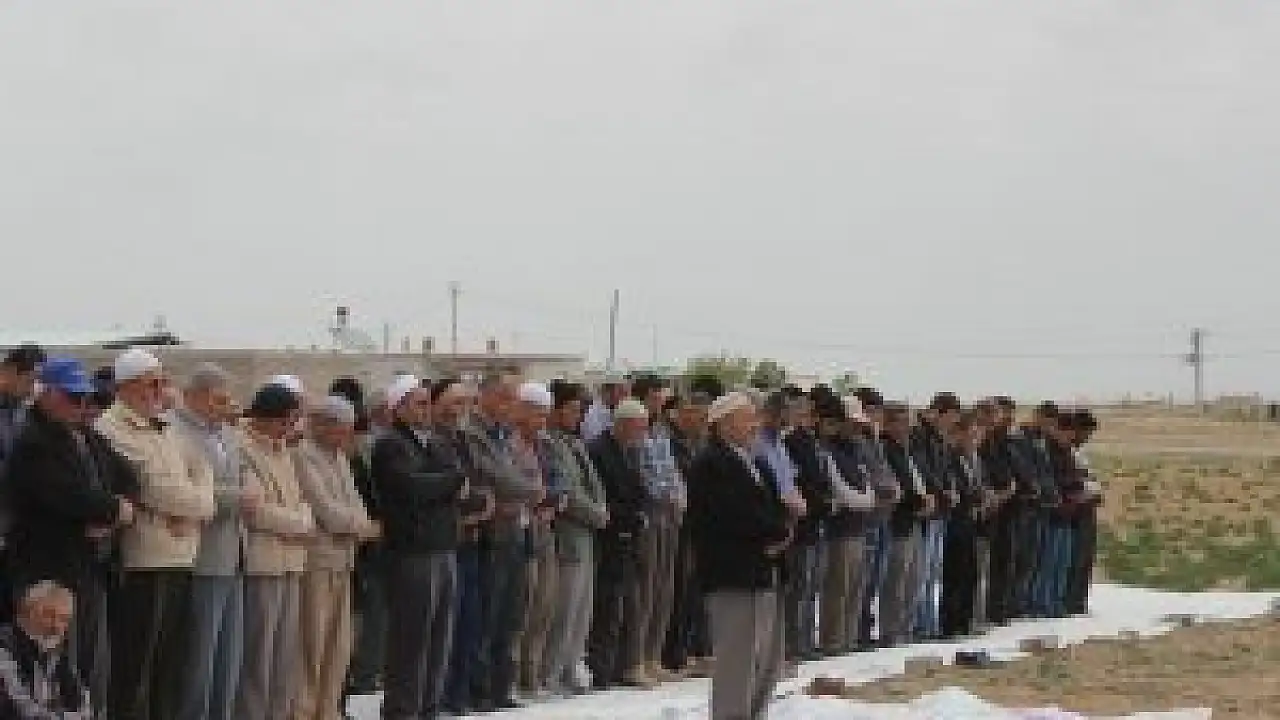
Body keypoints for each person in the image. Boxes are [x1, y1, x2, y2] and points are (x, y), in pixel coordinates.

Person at [3, 358, 137, 716]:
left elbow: (129, 476)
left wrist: (113, 513)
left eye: (84, 398)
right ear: (46, 393)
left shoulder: (86, 436)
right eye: (72, 397)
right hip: (46, 571)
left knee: (92, 666)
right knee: (51, 665)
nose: (80, 405)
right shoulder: (33, 442)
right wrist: (113, 509)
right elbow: (69, 495)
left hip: (87, 568)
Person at [96, 349, 216, 720]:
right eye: (154, 383)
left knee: (170, 665)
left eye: (164, 382)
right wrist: (195, 504)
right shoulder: (111, 429)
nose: (162, 390)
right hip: (144, 562)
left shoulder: (164, 426)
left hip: (181, 553)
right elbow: (155, 489)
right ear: (127, 387)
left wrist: (194, 507)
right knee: (137, 667)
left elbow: (202, 469)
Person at [687, 391, 791, 720]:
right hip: (733, 574)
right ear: (725, 424)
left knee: (765, 660)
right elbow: (732, 513)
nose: (755, 426)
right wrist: (769, 535)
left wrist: (780, 533)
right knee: (737, 661)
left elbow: (777, 507)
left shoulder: (756, 463)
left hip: (764, 571)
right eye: (748, 419)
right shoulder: (710, 464)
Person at [372, 376, 468, 720]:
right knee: (411, 640)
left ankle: (428, 708)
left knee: (439, 638)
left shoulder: (436, 443)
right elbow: (412, 488)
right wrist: (448, 483)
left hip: (443, 548)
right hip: (412, 552)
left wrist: (444, 484)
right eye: (419, 403)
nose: (427, 410)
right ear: (399, 407)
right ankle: (402, 710)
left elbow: (457, 479)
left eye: (428, 403)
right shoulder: (391, 445)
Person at [172, 364, 253, 720]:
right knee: (200, 658)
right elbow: (189, 491)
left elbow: (243, 478)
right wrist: (238, 497)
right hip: (202, 556)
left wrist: (245, 492)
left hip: (233, 553)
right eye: (218, 400)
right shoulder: (176, 433)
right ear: (194, 396)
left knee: (228, 658)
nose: (225, 407)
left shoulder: (226, 435)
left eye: (227, 400)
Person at [457, 374, 542, 711]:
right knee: (488, 617)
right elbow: (497, 476)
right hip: (492, 534)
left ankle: (500, 686)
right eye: (506, 397)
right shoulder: (472, 433)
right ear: (487, 396)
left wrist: (526, 490)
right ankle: (480, 690)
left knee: (511, 615)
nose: (511, 405)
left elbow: (522, 474)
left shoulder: (503, 434)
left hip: (516, 531)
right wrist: (530, 491)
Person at [293, 395, 379, 720]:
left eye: (348, 430)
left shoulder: (340, 459)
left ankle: (328, 710)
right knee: (311, 643)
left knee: (339, 645)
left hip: (344, 559)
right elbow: (326, 511)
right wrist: (361, 527)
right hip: (318, 562)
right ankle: (303, 712)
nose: (346, 437)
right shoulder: (303, 456)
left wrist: (358, 525)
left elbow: (356, 504)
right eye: (341, 429)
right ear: (321, 424)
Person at [235, 383, 314, 720]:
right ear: (266, 418)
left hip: (292, 562)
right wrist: (299, 523)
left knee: (284, 655)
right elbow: (256, 511)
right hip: (262, 564)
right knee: (259, 655)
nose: (290, 428)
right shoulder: (242, 448)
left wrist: (300, 520)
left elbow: (303, 501)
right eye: (286, 421)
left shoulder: (283, 451)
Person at [542, 381, 608, 695]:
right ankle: (551, 672)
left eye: (579, 411)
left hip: (587, 535)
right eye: (570, 409)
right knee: (563, 611)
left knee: (582, 611)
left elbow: (593, 483)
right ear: (554, 410)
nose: (576, 416)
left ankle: (571, 668)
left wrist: (601, 508)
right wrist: (595, 513)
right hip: (567, 535)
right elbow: (567, 491)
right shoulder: (549, 443)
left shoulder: (575, 443)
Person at [433, 379, 494, 715]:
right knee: (447, 625)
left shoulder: (464, 440)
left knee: (470, 623)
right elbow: (449, 490)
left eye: (465, 403)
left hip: (473, 541)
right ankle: (441, 693)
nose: (460, 409)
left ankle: (460, 693)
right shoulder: (433, 441)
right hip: (448, 540)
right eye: (454, 402)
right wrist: (468, 508)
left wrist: (482, 503)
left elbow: (478, 483)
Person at [585, 399, 651, 689]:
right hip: (609, 536)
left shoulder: (629, 451)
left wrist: (638, 515)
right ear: (623, 424)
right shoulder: (599, 451)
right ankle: (602, 669)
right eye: (639, 428)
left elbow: (639, 490)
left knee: (627, 603)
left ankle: (621, 665)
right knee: (607, 606)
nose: (642, 434)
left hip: (629, 535)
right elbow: (605, 495)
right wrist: (628, 517)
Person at [509, 383, 564, 699]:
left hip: (544, 527)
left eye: (545, 415)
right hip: (521, 530)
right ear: (522, 411)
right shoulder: (510, 444)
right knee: (523, 605)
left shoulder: (547, 445)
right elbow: (515, 485)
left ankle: (533, 675)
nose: (541, 422)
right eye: (537, 414)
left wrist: (552, 499)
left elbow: (559, 481)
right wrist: (538, 498)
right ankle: (514, 676)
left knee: (545, 604)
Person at [631, 376, 685, 684]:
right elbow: (642, 474)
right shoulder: (637, 432)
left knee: (665, 588)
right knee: (647, 588)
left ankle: (654, 655)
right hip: (650, 514)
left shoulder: (661, 431)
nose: (659, 403)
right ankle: (637, 657)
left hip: (669, 515)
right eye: (654, 398)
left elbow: (671, 469)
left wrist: (678, 496)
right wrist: (664, 494)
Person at [662, 391, 713, 677]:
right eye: (699, 415)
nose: (703, 422)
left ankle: (694, 649)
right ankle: (675, 653)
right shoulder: (671, 443)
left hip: (700, 526)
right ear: (684, 414)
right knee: (679, 591)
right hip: (681, 524)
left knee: (696, 593)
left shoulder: (700, 445)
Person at [909, 392, 962, 641]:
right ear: (939, 413)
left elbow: (946, 470)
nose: (952, 423)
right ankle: (920, 623)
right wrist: (943, 491)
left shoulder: (940, 439)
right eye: (950, 417)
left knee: (933, 571)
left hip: (941, 511)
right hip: (928, 512)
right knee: (922, 572)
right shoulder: (919, 436)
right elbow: (923, 469)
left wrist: (951, 490)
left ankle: (930, 622)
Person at [878, 402, 931, 646]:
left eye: (908, 422)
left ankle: (905, 628)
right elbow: (898, 485)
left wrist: (926, 498)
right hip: (899, 520)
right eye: (901, 422)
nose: (907, 427)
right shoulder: (886, 449)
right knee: (896, 579)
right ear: (889, 424)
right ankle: (891, 631)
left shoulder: (906, 450)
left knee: (914, 578)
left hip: (915, 520)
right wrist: (918, 500)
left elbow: (917, 479)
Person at [0, 581, 92, 717]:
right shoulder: (4, 645)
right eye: (49, 615)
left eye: (63, 619)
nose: (57, 627)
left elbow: (81, 699)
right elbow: (17, 706)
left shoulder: (53, 651)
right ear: (27, 612)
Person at [580, 375, 629, 442]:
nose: (625, 395)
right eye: (620, 390)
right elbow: (591, 442)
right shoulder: (592, 414)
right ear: (608, 390)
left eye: (627, 391)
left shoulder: (623, 411)